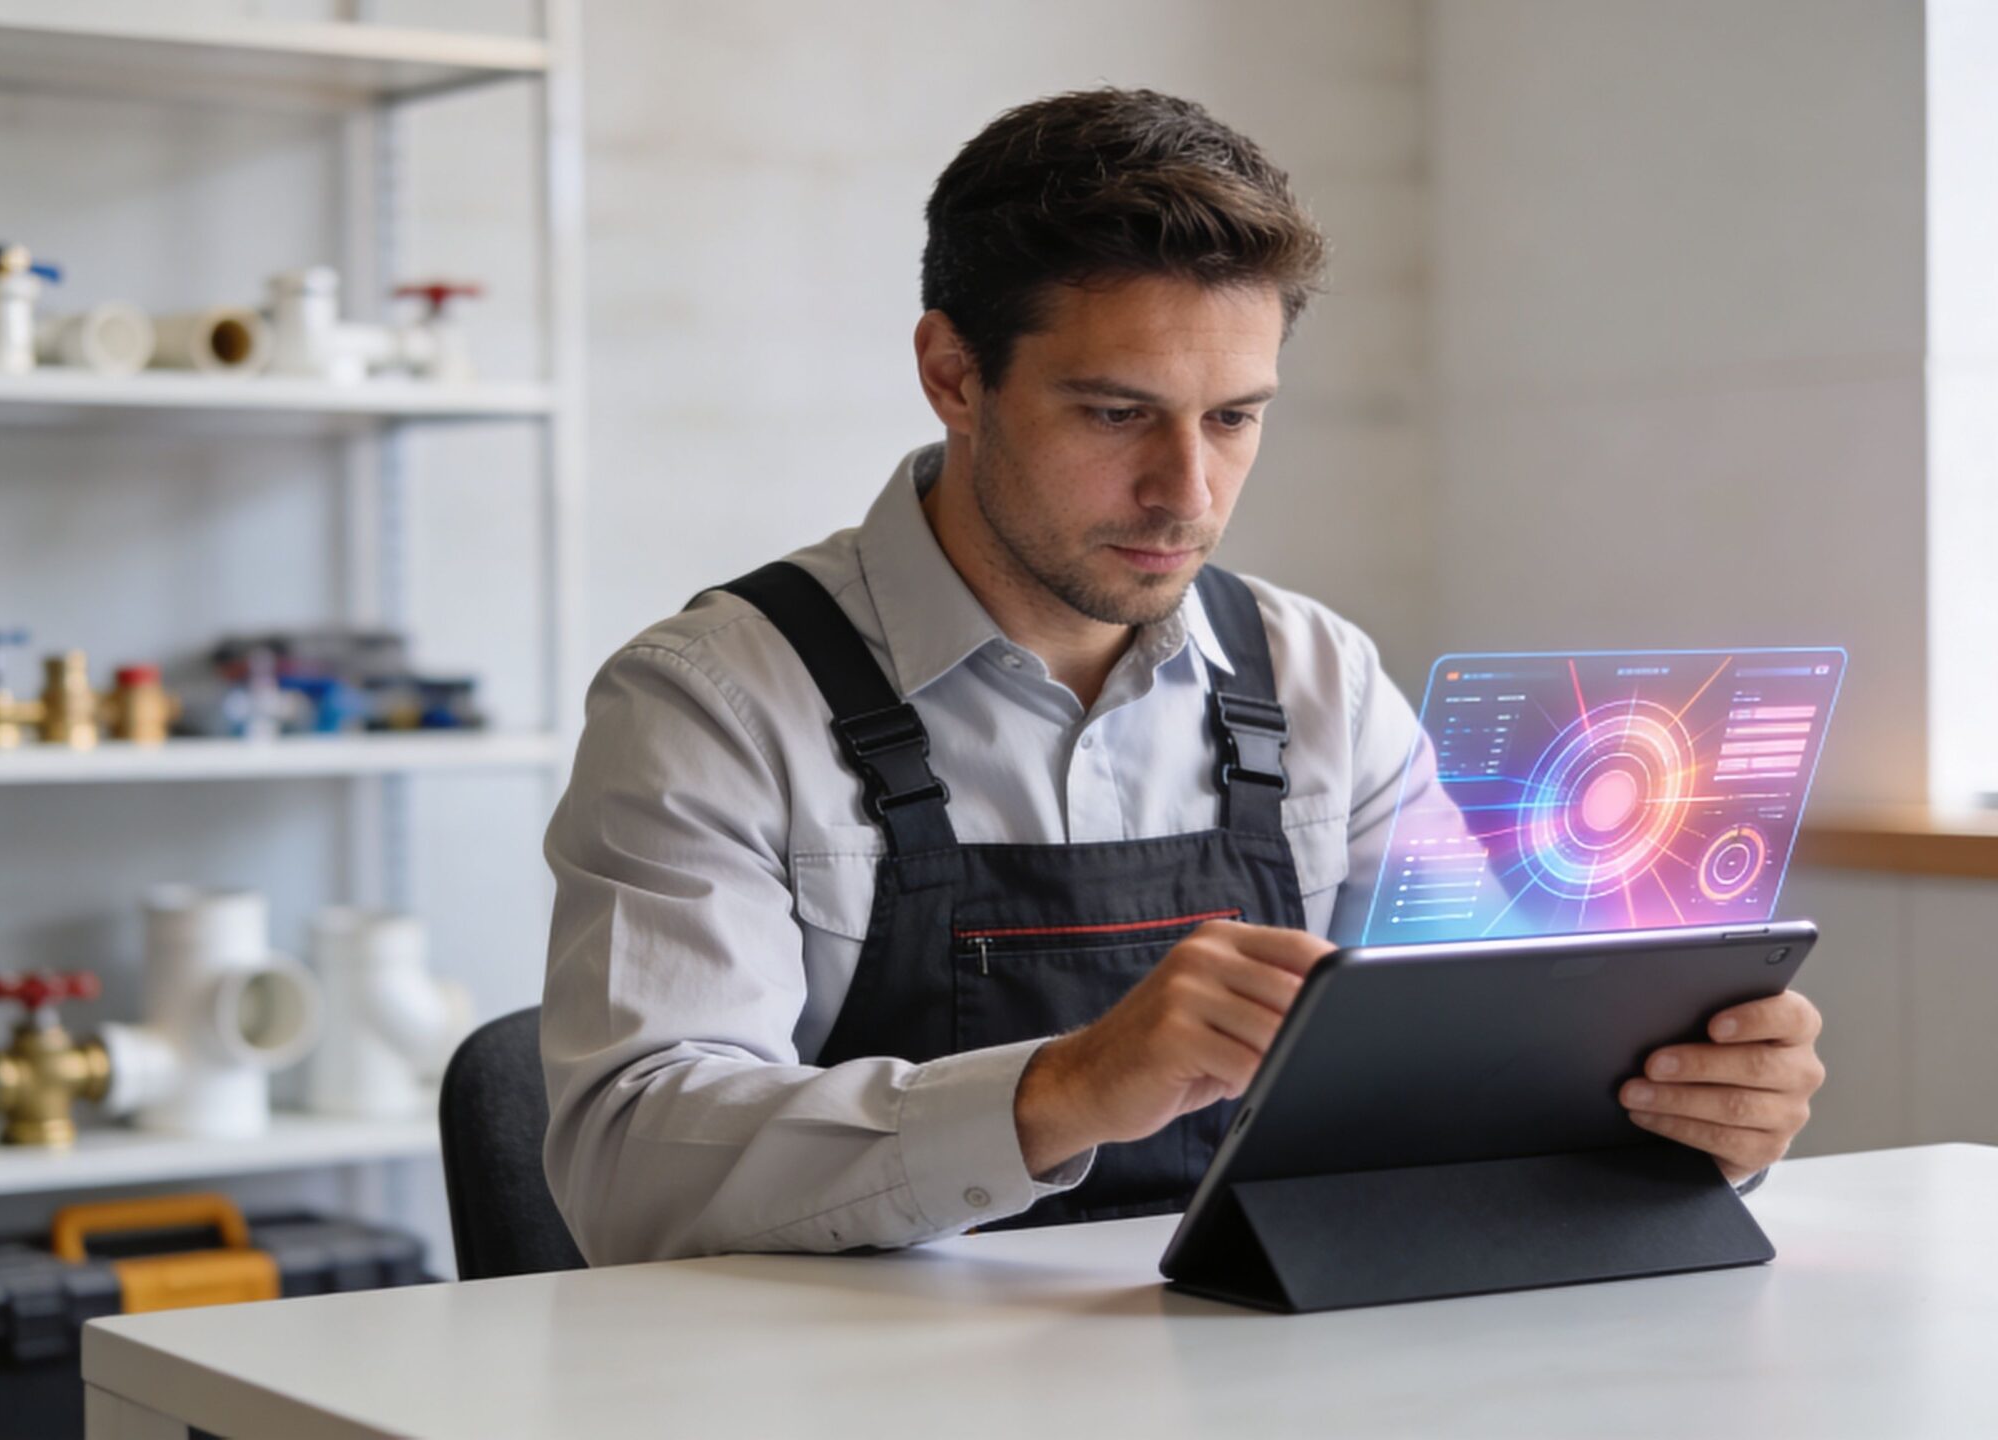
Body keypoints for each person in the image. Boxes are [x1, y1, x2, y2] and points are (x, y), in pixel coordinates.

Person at [539, 87, 1826, 1267]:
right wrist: (1064, 1087)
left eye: (1233, 417)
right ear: (952, 374)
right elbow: (628, 1165)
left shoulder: (1318, 675)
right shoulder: (710, 700)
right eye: (1113, 414)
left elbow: (1483, 1077)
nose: (1185, 493)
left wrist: (1673, 1114)